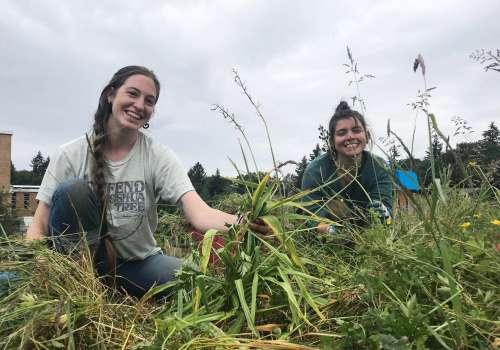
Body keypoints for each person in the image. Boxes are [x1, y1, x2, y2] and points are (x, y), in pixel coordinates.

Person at [26, 65, 266, 298]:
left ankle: (110, 289)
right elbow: (38, 225)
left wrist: (243, 223)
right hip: (76, 266)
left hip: (136, 266)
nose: (139, 105)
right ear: (110, 94)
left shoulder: (157, 156)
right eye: (132, 93)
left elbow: (199, 213)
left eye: (149, 100)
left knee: (196, 281)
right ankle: (80, 287)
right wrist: (41, 265)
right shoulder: (70, 154)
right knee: (73, 191)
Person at [301, 101, 393, 235]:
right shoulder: (314, 171)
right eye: (342, 133)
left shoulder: (379, 167)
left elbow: (388, 217)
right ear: (332, 141)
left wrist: (385, 216)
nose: (350, 136)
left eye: (356, 130)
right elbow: (310, 217)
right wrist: (330, 231)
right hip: (326, 242)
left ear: (366, 136)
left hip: (368, 238)